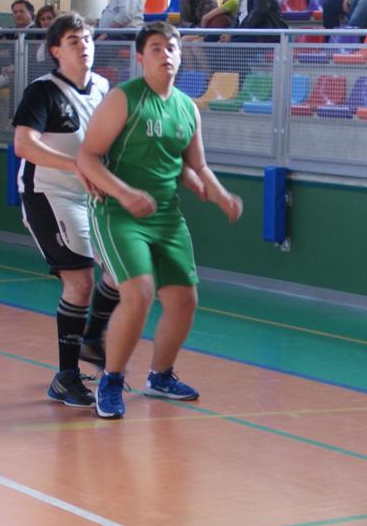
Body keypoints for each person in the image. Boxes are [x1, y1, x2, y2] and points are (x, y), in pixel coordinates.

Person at [76, 21, 244, 420]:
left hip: (165, 214)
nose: (165, 54)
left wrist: (219, 195)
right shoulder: (124, 99)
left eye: (171, 47)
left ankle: (161, 376)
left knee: (185, 300)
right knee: (138, 292)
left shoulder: (187, 106)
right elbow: (87, 156)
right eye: (155, 48)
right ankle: (112, 379)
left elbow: (195, 164)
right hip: (118, 211)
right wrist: (125, 193)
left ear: (180, 54)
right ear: (140, 57)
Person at [12, 12, 121, 407]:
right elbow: (24, 145)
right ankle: (66, 376)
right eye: (74, 40)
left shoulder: (104, 88)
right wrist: (75, 165)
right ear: (56, 50)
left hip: (91, 194)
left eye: (88, 38)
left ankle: (92, 336)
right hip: (48, 194)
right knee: (79, 282)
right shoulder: (43, 91)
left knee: (122, 268)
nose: (84, 45)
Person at [0, 0, 37, 88]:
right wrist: (7, 57)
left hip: (28, 72)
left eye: (21, 11)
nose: (18, 14)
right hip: (8, 67)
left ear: (30, 13)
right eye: (15, 12)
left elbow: (30, 54)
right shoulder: (12, 30)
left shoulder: (36, 31)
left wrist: (9, 51)